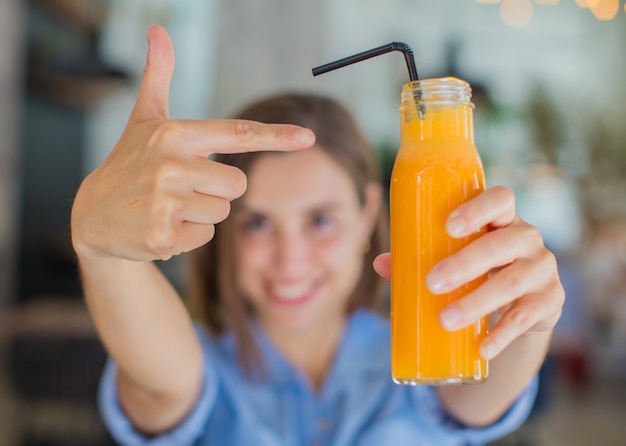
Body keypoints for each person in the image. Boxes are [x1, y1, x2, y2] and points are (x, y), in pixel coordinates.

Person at [70, 26, 565, 445]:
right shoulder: (194, 361)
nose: (291, 259)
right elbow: (163, 389)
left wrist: (528, 318)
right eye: (257, 222)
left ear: (370, 211)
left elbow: (477, 395)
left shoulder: (425, 349)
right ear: (223, 231)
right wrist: (101, 251)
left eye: (320, 220)